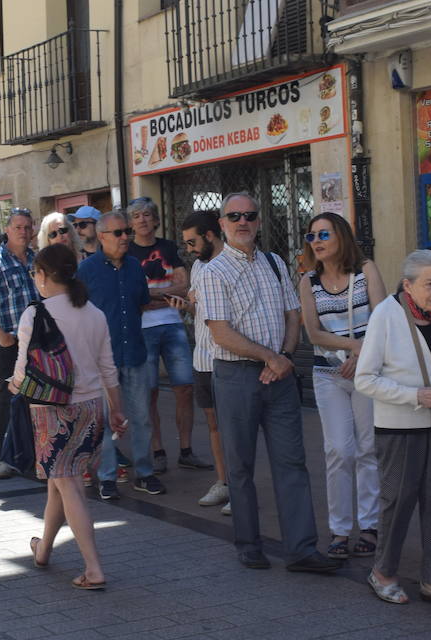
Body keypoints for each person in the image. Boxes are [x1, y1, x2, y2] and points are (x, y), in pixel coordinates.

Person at [198, 192, 338, 574]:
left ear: (259, 221)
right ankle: (248, 544)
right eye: (234, 216)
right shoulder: (212, 272)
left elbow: (293, 315)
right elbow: (221, 333)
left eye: (250, 215)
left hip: (279, 375)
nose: (243, 221)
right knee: (240, 466)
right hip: (236, 377)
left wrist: (286, 358)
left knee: (292, 462)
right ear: (222, 224)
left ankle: (302, 550)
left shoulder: (275, 263)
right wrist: (270, 357)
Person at [354, 250, 431, 609]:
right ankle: (383, 573)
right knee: (397, 502)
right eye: (429, 284)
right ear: (408, 285)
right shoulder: (386, 316)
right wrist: (414, 396)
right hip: (399, 427)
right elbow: (365, 379)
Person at [14, 244, 126, 591]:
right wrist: (117, 409)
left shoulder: (35, 313)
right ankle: (43, 550)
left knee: (69, 484)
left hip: (52, 409)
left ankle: (93, 569)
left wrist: (12, 388)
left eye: (36, 274)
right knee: (60, 482)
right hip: (92, 407)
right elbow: (109, 368)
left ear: (44, 276)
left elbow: (22, 370)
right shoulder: (94, 313)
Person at [299, 213, 388, 560]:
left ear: (342, 237)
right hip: (328, 374)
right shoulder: (308, 281)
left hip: (367, 373)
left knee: (367, 449)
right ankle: (339, 529)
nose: (317, 241)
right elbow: (314, 333)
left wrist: (362, 355)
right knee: (338, 450)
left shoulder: (366, 270)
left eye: (324, 234)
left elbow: (382, 320)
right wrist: (352, 348)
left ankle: (369, 526)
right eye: (311, 236)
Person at [79, 210, 165, 499]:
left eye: (126, 231)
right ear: (102, 236)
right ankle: (107, 477)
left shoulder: (134, 267)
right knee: (104, 422)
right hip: (103, 360)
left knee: (141, 417)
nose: (126, 236)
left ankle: (144, 473)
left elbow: (140, 303)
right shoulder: (87, 270)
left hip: (135, 354)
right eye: (118, 233)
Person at [127, 196, 202, 472]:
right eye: (136, 216)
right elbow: (134, 297)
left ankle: (186, 449)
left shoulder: (168, 247)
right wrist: (160, 293)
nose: (143, 219)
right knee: (150, 393)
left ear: (156, 219)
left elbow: (184, 287)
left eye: (147, 214)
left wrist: (150, 295)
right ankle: (157, 451)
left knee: (184, 388)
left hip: (173, 324)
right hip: (143, 329)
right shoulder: (128, 253)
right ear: (131, 223)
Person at [0, 207, 39, 474]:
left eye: (27, 227)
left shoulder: (37, 260)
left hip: (38, 340)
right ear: (7, 230)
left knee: (36, 397)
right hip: (11, 342)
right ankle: (6, 456)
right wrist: (1, 337)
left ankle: (36, 453)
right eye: (18, 227)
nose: (23, 232)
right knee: (8, 398)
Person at [178, 211, 230, 510]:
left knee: (234, 429)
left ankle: (239, 488)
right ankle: (223, 483)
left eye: (192, 242)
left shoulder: (232, 264)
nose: (189, 249)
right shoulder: (198, 266)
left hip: (228, 360)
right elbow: (199, 311)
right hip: (202, 360)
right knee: (213, 426)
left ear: (209, 235)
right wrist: (186, 306)